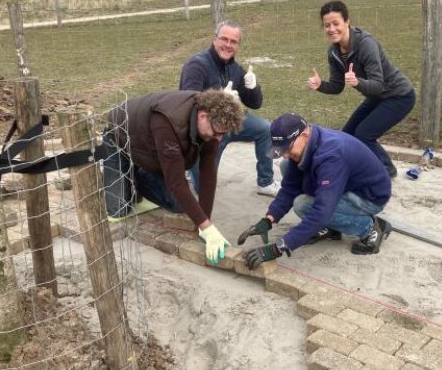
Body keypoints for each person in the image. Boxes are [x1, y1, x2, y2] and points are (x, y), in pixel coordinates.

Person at [103, 89, 245, 265]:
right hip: (118, 136)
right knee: (119, 209)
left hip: (149, 147)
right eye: (217, 133)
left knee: (179, 204)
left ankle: (135, 176)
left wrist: (205, 223)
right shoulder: (168, 121)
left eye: (223, 134)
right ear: (202, 116)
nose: (218, 139)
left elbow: (208, 173)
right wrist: (207, 228)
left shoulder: (212, 128)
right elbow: (176, 182)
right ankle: (125, 176)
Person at [237, 113, 392, 270]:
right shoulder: (310, 141)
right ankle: (332, 229)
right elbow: (290, 187)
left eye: (288, 148)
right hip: (346, 185)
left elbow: (321, 212)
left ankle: (370, 228)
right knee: (287, 166)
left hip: (370, 196)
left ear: (303, 135)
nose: (285, 154)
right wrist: (269, 220)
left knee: (303, 205)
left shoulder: (331, 155)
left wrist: (278, 248)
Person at [307, 0, 415, 178]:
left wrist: (358, 82)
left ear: (347, 21)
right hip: (377, 96)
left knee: (364, 135)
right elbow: (336, 87)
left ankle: (386, 170)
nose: (332, 29)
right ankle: (354, 167)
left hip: (399, 95)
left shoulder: (365, 44)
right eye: (327, 25)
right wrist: (320, 85)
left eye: (336, 23)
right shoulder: (333, 52)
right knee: (348, 134)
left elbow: (378, 84)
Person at [179, 20, 278, 196]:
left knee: (265, 129)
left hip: (229, 124)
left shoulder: (234, 68)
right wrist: (218, 100)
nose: (228, 45)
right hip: (204, 131)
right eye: (224, 39)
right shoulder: (197, 65)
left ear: (238, 45)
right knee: (205, 188)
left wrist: (253, 86)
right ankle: (189, 163)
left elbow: (255, 103)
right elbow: (186, 104)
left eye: (233, 41)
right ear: (214, 39)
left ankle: (265, 182)